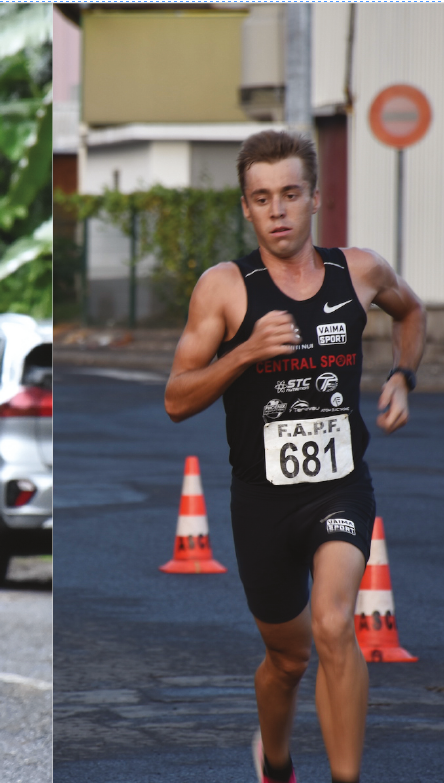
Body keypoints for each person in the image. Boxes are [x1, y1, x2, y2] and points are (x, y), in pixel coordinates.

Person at [164, 130, 425, 783]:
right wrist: (246, 352)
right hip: (261, 501)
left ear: (315, 197)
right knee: (286, 658)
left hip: (340, 487)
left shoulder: (357, 272)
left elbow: (412, 310)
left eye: (288, 193)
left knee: (335, 622)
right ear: (245, 209)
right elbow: (174, 398)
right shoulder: (223, 289)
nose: (276, 209)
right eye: (260, 198)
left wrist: (402, 375)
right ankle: (274, 759)